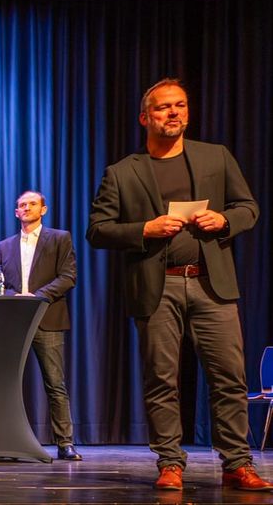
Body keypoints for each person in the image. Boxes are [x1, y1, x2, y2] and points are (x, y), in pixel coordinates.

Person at [87, 78, 271, 491]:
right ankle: (170, 462)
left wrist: (225, 220)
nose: (174, 113)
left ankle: (236, 463)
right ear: (144, 117)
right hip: (158, 288)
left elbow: (249, 208)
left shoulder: (215, 157)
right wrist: (144, 228)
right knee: (161, 378)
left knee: (229, 376)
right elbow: (97, 231)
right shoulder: (122, 172)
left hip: (211, 285)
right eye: (163, 107)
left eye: (181, 105)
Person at [0, 191, 80, 461]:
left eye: (31, 204)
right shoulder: (4, 245)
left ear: (43, 209)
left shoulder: (60, 238)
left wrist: (37, 296)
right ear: (16, 212)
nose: (26, 208)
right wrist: (12, 297)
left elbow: (68, 276)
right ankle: (2, 440)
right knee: (4, 382)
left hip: (46, 317)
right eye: (21, 205)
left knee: (55, 383)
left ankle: (65, 443)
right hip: (12, 321)